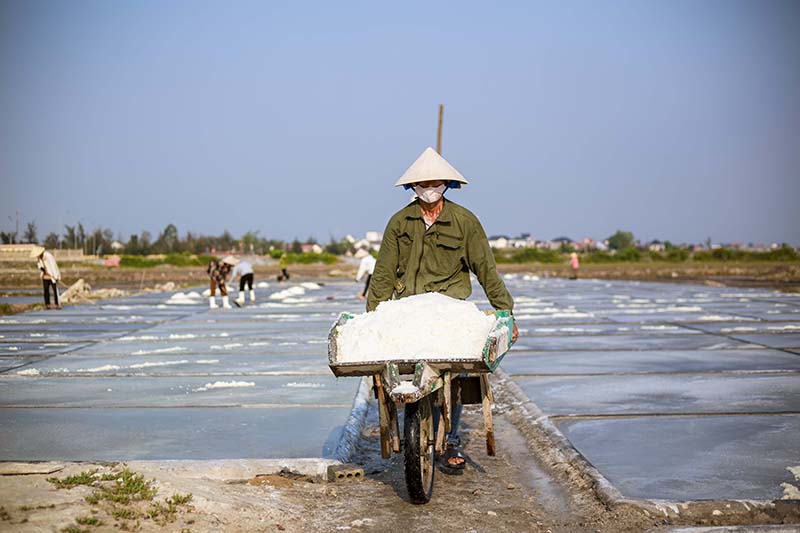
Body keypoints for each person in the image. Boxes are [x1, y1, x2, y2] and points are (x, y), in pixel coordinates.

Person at [368, 146, 519, 473]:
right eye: (423, 184)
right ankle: (413, 428)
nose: (430, 188)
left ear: (447, 185)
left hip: (450, 310)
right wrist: (371, 319)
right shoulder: (399, 223)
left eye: (436, 183)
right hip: (408, 309)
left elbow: (486, 271)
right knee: (404, 370)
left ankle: (451, 438)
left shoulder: (465, 222)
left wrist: (505, 312)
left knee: (455, 375)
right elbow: (382, 274)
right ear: (413, 187)